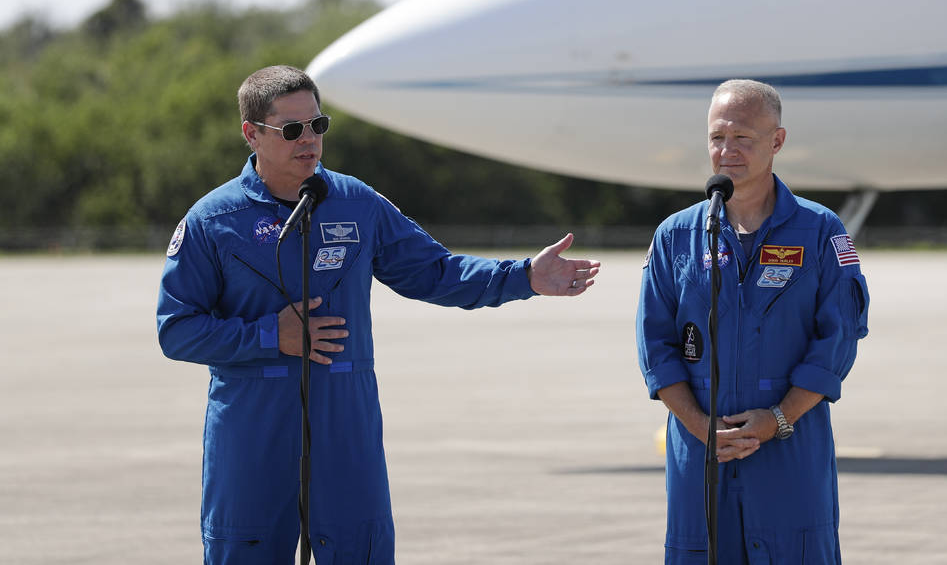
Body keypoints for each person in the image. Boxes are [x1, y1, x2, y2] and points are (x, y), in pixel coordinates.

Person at [157, 65, 601, 564]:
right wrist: (269, 335)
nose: (309, 141)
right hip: (251, 434)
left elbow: (436, 271)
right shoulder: (213, 221)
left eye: (317, 126)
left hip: (345, 426)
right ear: (251, 134)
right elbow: (176, 330)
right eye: (291, 130)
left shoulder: (355, 204)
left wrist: (522, 277)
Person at [636, 79, 869, 564]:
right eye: (718, 137)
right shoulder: (677, 236)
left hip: (789, 450)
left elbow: (837, 341)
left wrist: (777, 419)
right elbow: (656, 348)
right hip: (700, 456)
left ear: (776, 142)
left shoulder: (821, 231)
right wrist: (700, 427)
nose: (727, 151)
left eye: (743, 138)